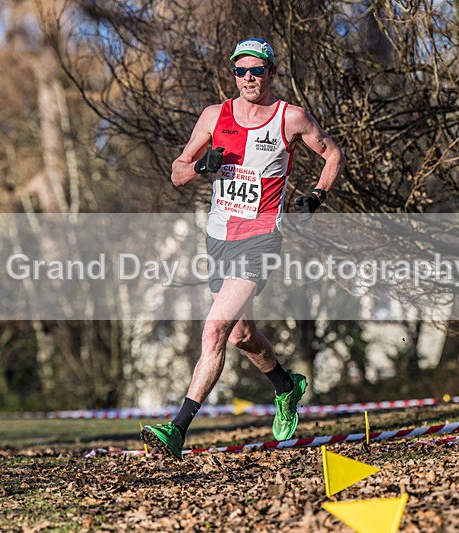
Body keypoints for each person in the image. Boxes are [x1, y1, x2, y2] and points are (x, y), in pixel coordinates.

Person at [141, 38, 346, 459]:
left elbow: (333, 155)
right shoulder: (214, 116)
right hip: (219, 238)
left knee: (214, 328)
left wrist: (317, 195)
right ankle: (286, 387)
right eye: (241, 71)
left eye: (256, 71)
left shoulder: (291, 118)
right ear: (233, 74)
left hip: (262, 237)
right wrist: (201, 166)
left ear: (271, 73)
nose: (248, 78)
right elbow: (177, 173)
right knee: (240, 334)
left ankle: (176, 429)